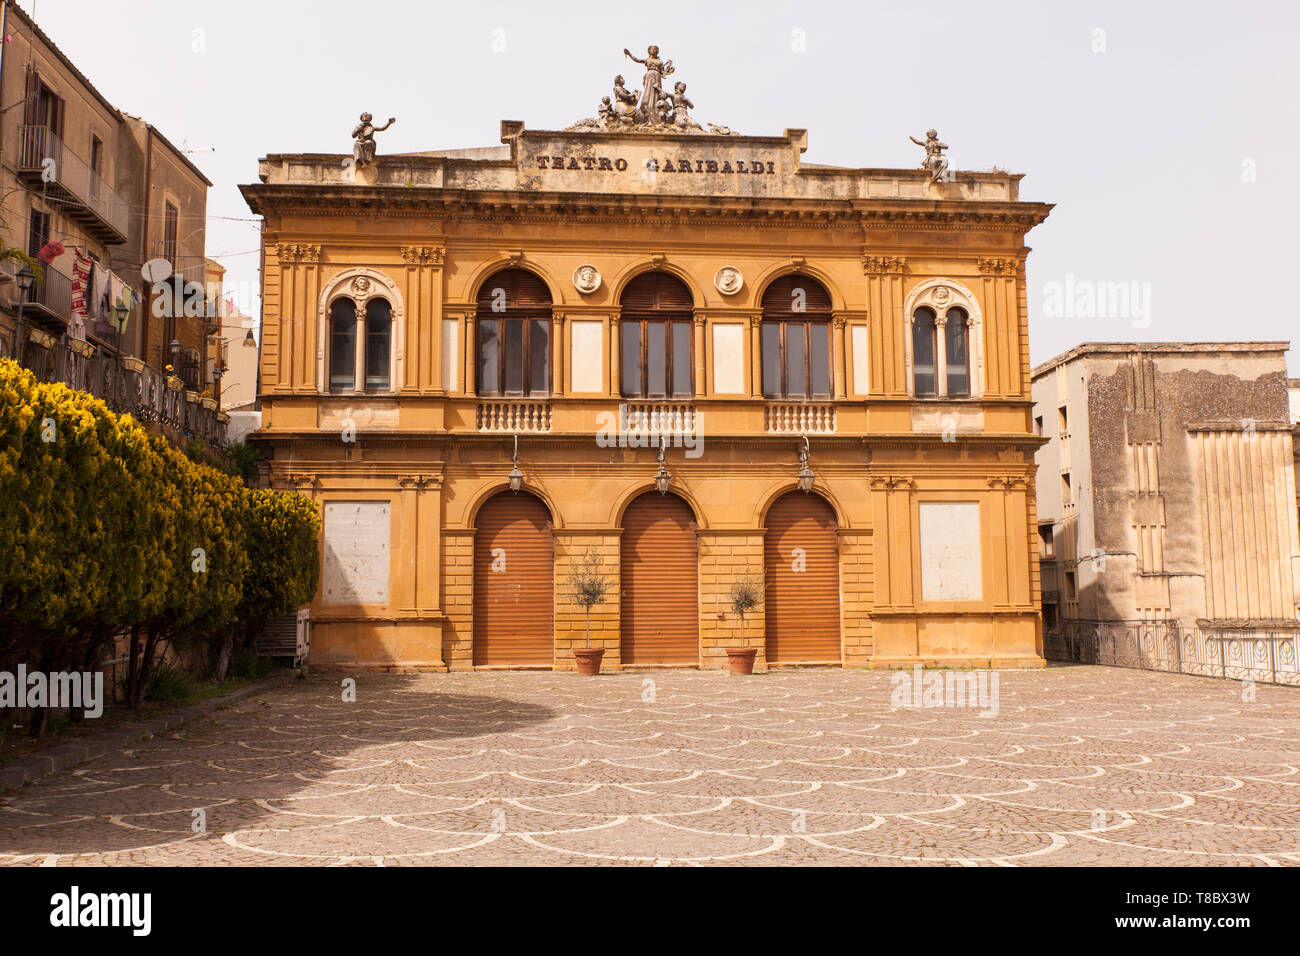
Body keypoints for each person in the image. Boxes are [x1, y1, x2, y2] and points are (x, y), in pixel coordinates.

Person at [623, 45, 675, 124]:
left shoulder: (660, 62)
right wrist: (629, 54)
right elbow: (637, 59)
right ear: (649, 50)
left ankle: (655, 109)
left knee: (656, 93)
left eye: (656, 49)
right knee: (648, 92)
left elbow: (663, 72)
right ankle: (646, 109)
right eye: (653, 49)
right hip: (649, 76)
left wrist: (668, 69)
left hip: (657, 77)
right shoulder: (647, 60)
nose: (655, 50)